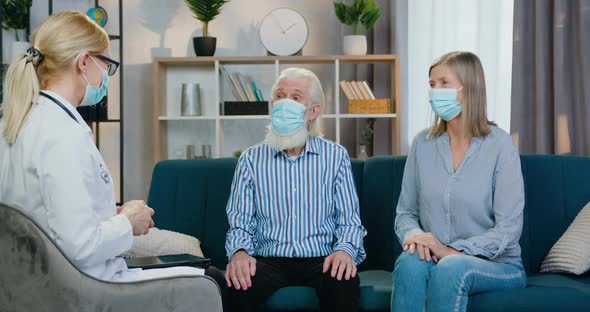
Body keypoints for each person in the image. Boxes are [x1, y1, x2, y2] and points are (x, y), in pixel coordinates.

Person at [0, 11, 216, 283]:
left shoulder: (17, 122)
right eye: (108, 65)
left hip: (32, 280)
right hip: (86, 286)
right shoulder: (63, 134)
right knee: (212, 281)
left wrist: (108, 214)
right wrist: (129, 221)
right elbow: (81, 248)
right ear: (84, 61)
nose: (108, 76)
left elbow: (48, 212)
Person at [391, 51, 527, 312]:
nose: (434, 91)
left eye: (444, 83)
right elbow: (405, 213)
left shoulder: (500, 144)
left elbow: (508, 228)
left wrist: (451, 251)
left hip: (499, 265)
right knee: (409, 262)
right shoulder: (422, 144)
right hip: (434, 256)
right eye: (432, 85)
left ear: (468, 89)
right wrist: (416, 237)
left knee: (451, 267)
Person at [224, 67, 367, 312]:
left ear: (313, 112)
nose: (284, 103)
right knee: (238, 284)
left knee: (344, 280)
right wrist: (239, 252)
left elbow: (350, 221)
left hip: (321, 259)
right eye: (280, 96)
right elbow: (240, 222)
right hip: (268, 259)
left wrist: (345, 250)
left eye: (296, 97)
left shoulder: (335, 157)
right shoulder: (250, 159)